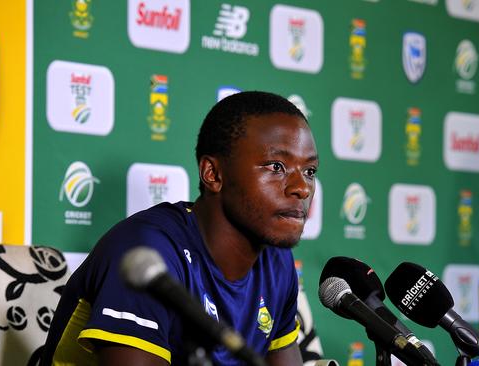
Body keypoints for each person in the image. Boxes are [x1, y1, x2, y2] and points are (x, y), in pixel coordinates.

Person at [40, 91, 319, 365]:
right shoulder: (148, 253)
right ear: (213, 174)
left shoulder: (276, 259)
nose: (302, 188)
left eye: (309, 171)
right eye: (276, 166)